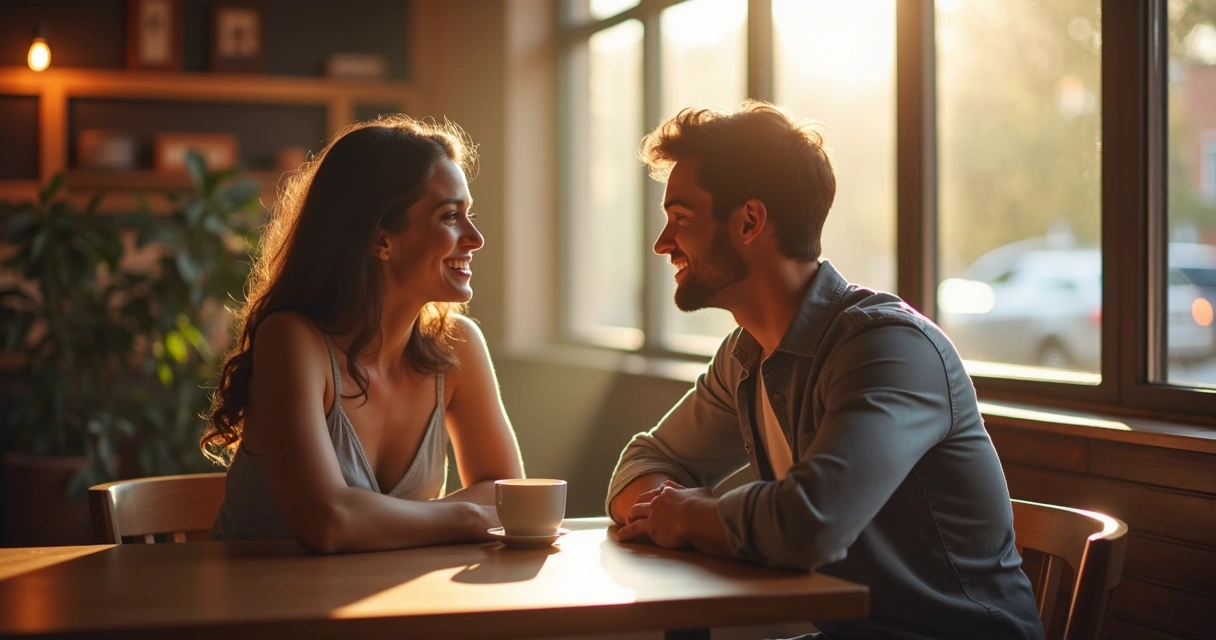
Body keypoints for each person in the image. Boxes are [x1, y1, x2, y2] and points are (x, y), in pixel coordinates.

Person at [605, 101, 1044, 640]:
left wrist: (687, 516)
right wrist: (666, 510)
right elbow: (644, 460)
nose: (662, 242)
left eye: (681, 218)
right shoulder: (744, 355)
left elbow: (811, 522)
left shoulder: (888, 349)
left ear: (749, 221)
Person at [203, 115, 524, 553]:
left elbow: (511, 495)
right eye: (450, 216)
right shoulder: (292, 341)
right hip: (262, 613)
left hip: (386, 609)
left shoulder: (458, 345)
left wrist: (379, 518)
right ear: (380, 238)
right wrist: (467, 514)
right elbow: (328, 523)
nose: (476, 238)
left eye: (469, 214)